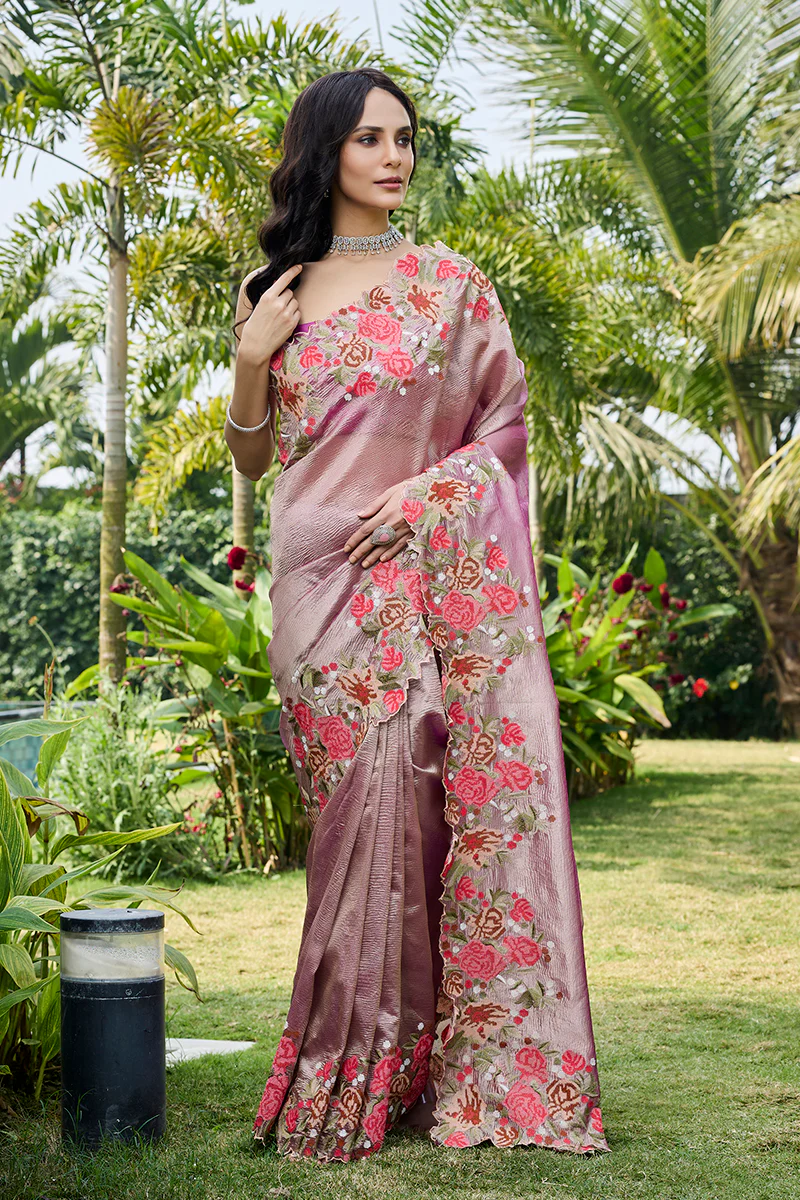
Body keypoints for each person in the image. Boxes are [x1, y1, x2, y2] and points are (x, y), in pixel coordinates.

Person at [225, 67, 610, 1165]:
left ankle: (387, 1066)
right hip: (312, 585)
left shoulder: (450, 285)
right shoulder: (273, 290)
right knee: (348, 820)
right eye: (370, 139)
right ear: (325, 153)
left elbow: (504, 429)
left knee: (413, 806)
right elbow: (251, 455)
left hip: (412, 570)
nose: (394, 156)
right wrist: (249, 360)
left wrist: (427, 495)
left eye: (405, 138)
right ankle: (346, 1057)